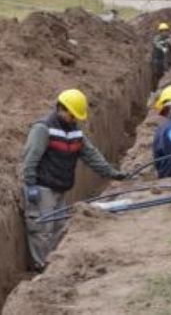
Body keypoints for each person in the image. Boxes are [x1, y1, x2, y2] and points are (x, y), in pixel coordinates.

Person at [22, 89, 129, 271]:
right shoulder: (43, 129)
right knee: (42, 229)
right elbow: (30, 158)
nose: (75, 119)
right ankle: (41, 267)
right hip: (42, 188)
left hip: (60, 188)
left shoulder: (74, 133)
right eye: (72, 115)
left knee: (58, 227)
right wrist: (31, 184)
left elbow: (91, 155)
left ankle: (54, 265)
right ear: (61, 109)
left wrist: (112, 173)